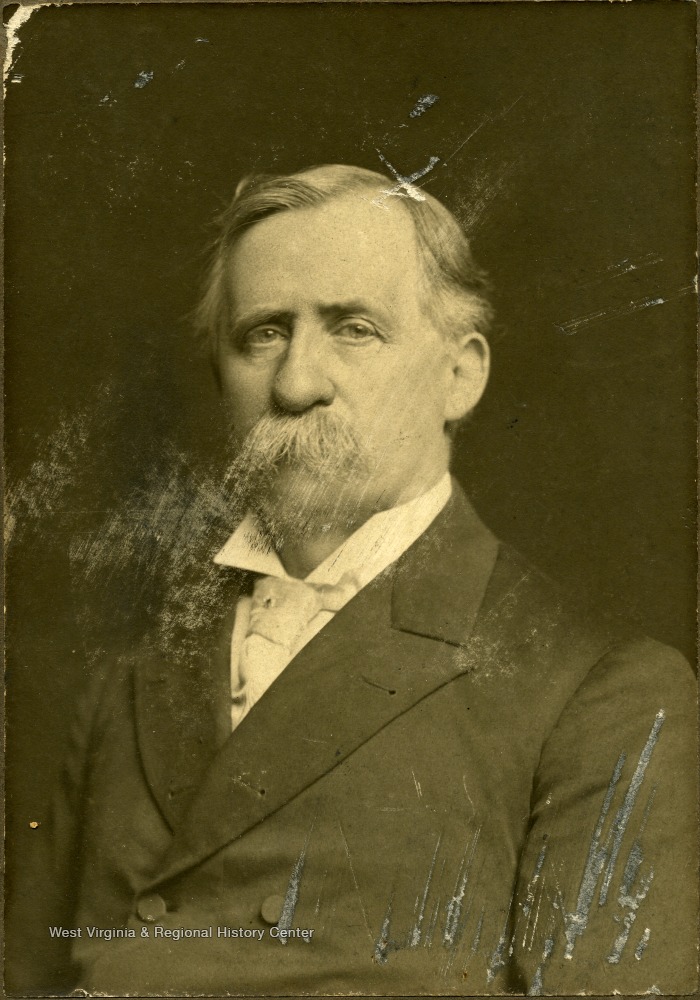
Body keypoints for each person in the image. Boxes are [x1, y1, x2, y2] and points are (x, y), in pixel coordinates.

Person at [7, 165, 697, 996]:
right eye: (263, 333)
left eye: (354, 329)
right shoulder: (127, 679)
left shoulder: (601, 694)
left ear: (460, 375)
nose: (296, 383)